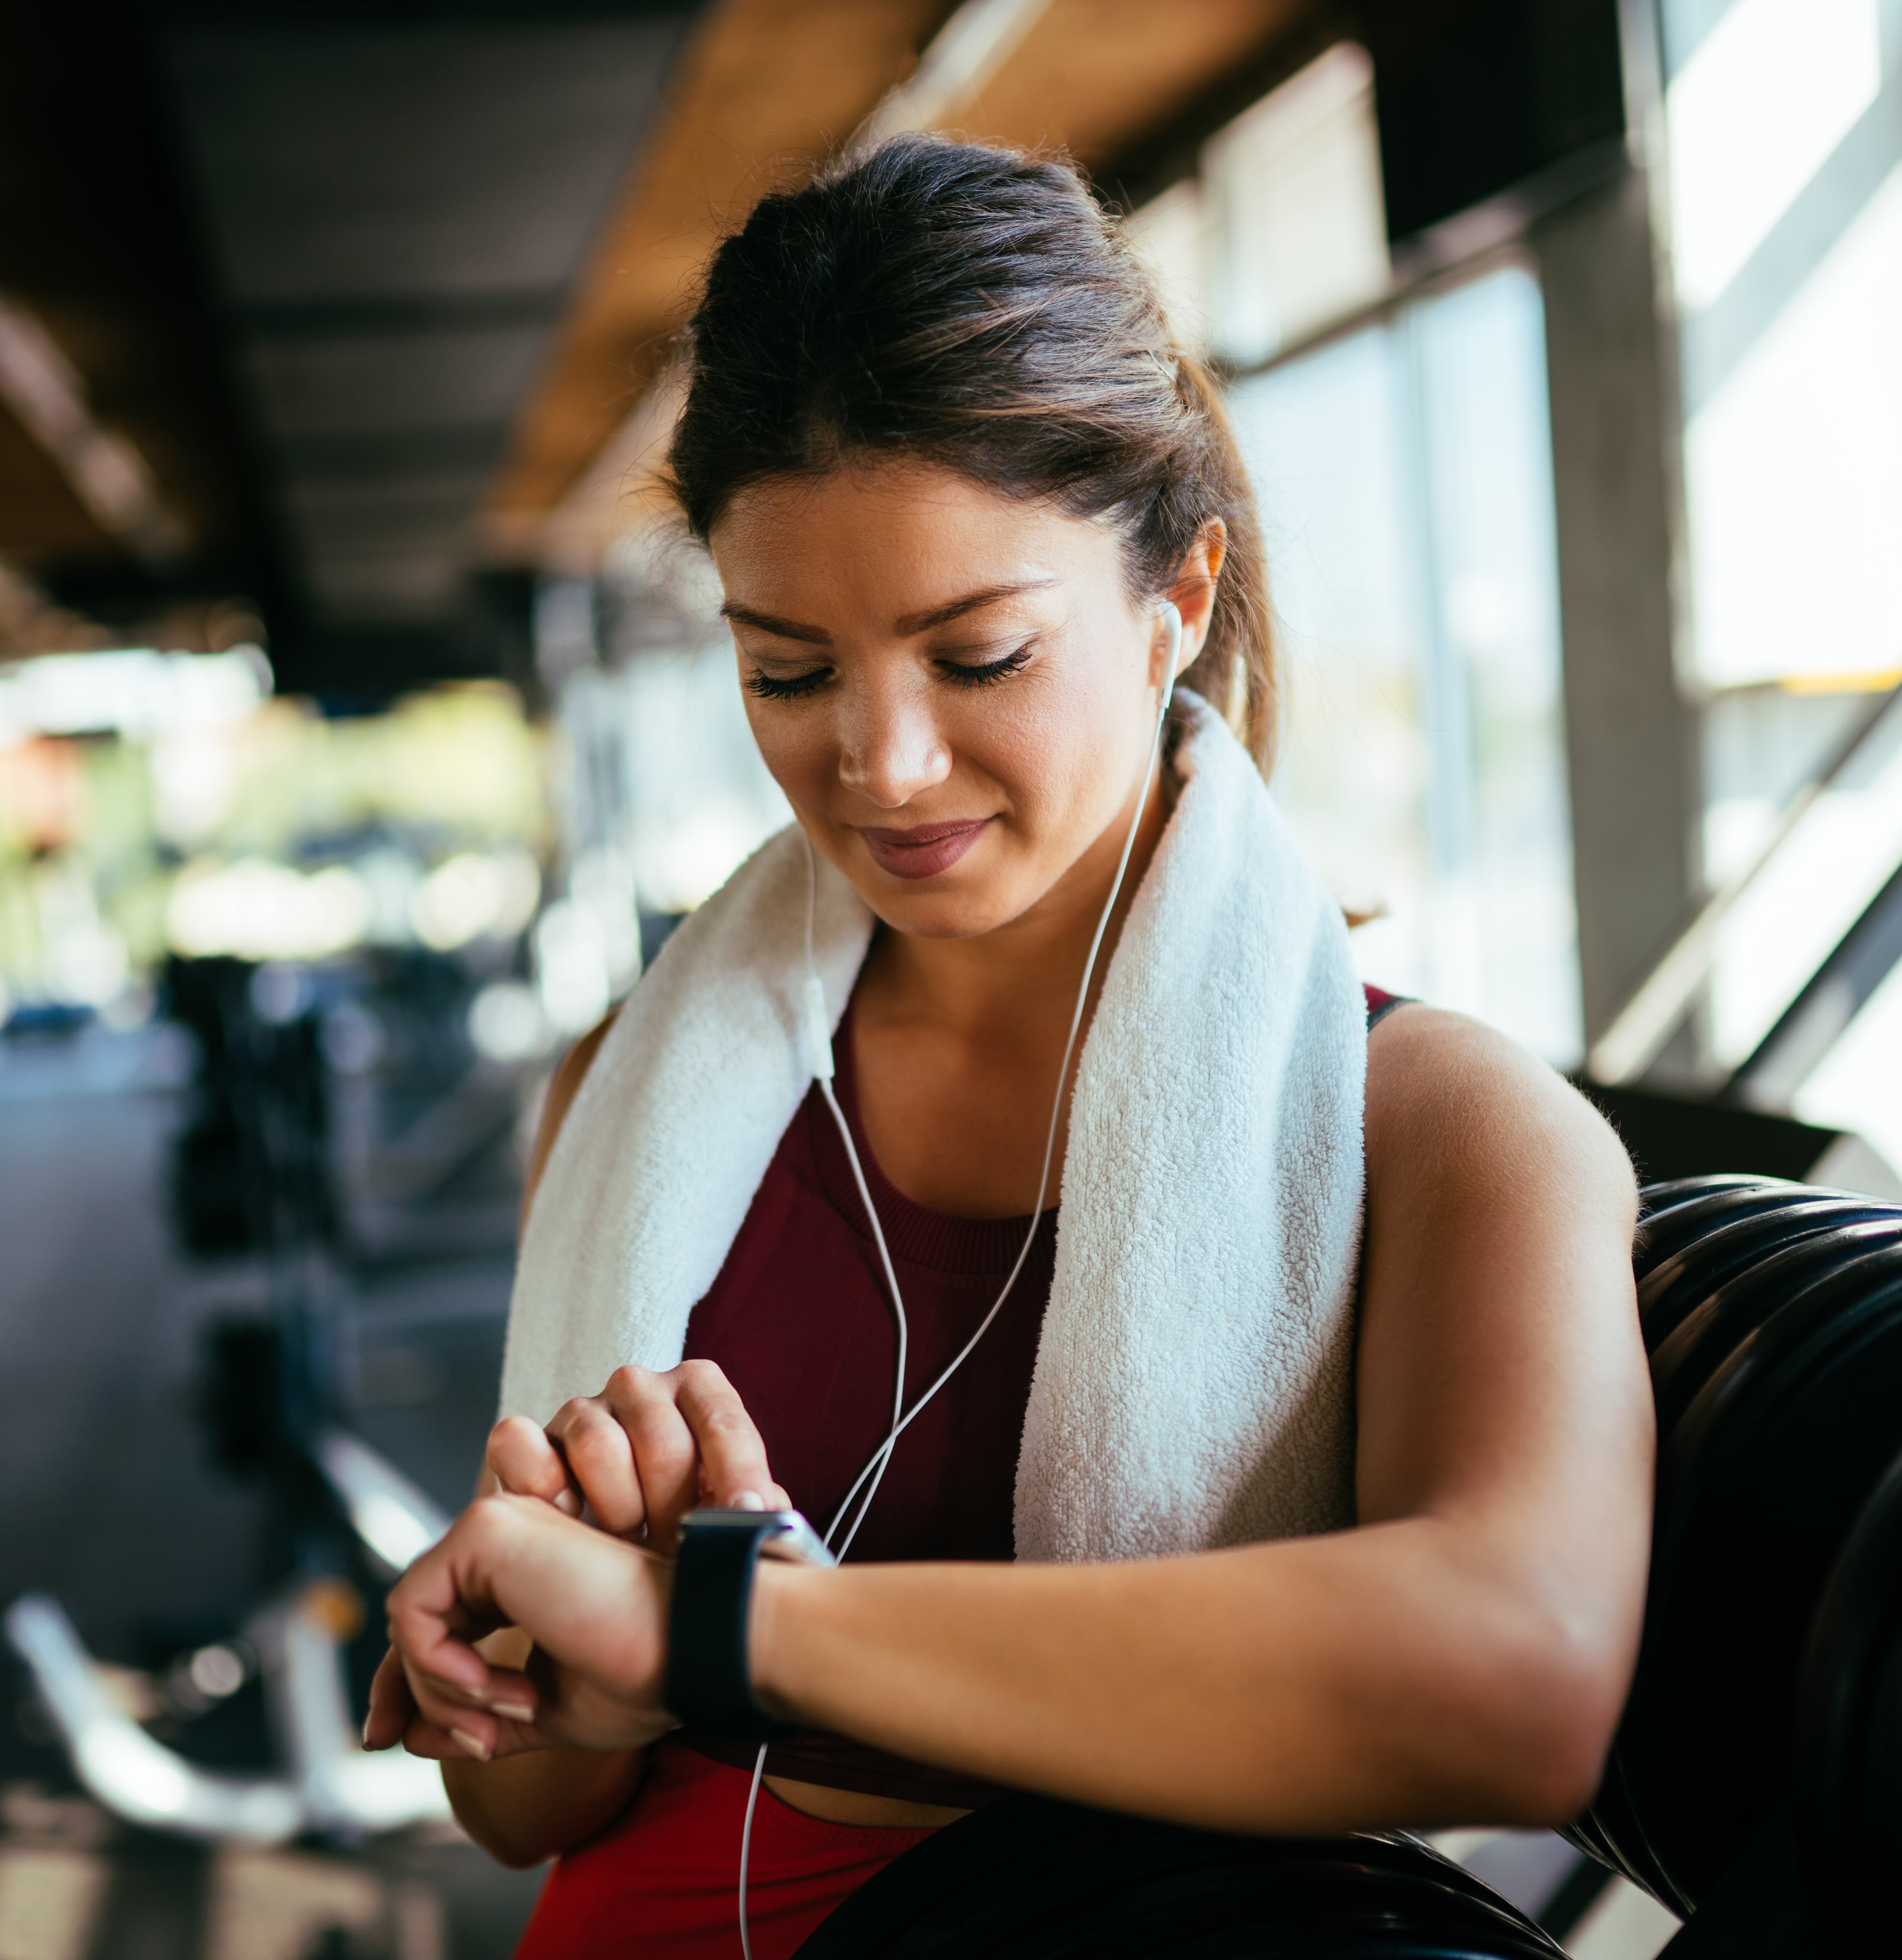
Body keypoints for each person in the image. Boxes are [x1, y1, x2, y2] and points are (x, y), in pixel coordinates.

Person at [361, 136, 1650, 1956]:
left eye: (976, 659)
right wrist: (535, 1673)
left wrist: (728, 1629)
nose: (878, 766)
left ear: (1174, 603)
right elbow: (515, 1814)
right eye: (789, 672)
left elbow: (1519, 1682)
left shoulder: (1443, 1126)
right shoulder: (629, 1093)